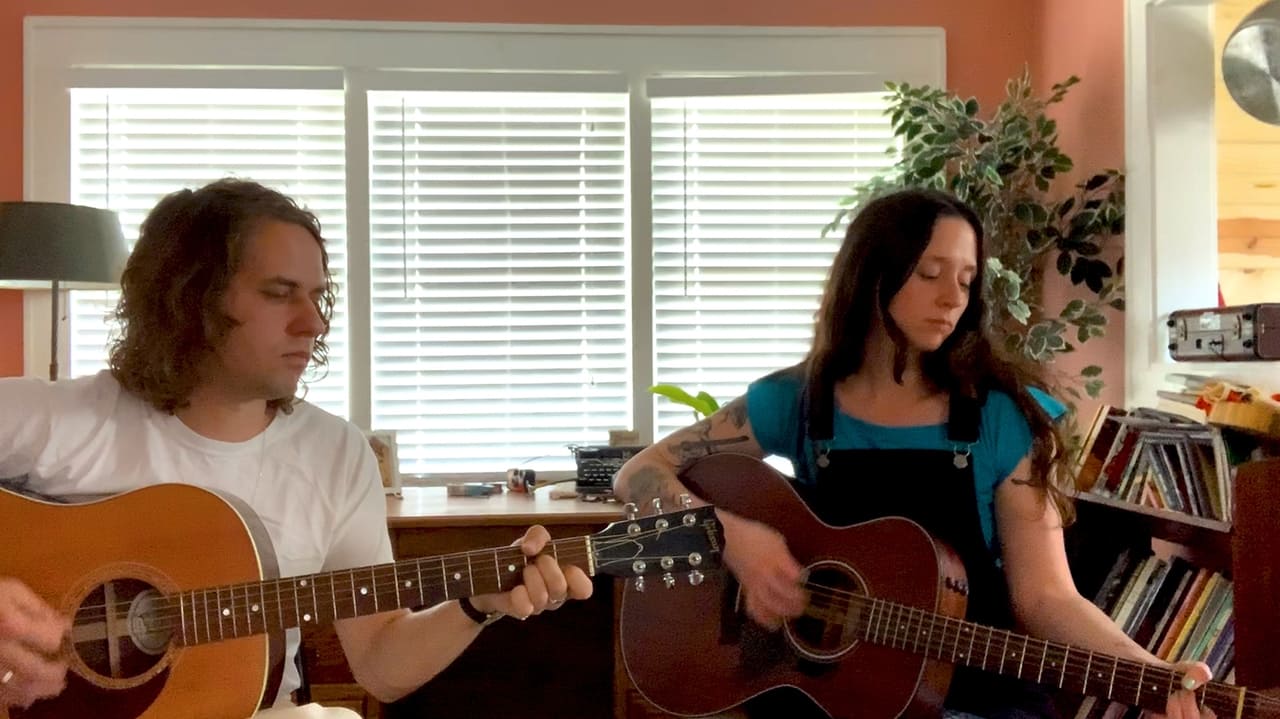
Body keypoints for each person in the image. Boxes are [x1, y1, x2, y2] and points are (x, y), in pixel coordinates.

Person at [0, 179, 593, 717]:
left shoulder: (335, 454)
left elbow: (381, 667)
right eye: (280, 293)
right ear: (190, 299)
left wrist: (474, 603)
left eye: (316, 296)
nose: (312, 322)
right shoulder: (60, 419)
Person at [613, 188, 1214, 719]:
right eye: (930, 272)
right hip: (825, 696)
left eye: (966, 279)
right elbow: (641, 472)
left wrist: (1154, 676)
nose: (952, 297)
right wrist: (733, 538)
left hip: (973, 696)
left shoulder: (1004, 418)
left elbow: (1046, 597)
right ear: (874, 273)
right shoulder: (795, 402)